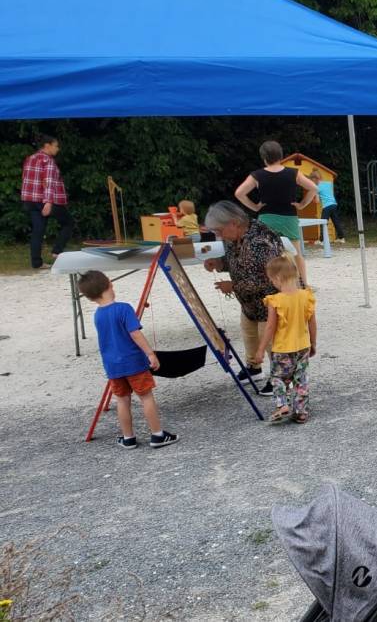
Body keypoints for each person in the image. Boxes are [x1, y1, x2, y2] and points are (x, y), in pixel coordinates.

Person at [77, 270, 178, 449]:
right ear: (110, 284)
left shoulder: (98, 314)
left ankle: (128, 437)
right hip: (134, 363)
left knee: (122, 400)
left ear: (90, 298)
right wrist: (150, 353)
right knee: (146, 397)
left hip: (113, 366)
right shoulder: (123, 308)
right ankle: (157, 435)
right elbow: (135, 334)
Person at [203, 200, 285, 396]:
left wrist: (233, 286)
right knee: (249, 332)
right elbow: (236, 262)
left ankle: (280, 377)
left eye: (219, 231)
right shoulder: (234, 238)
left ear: (233, 223)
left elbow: (268, 279)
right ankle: (254, 368)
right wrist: (219, 263)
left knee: (272, 340)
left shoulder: (260, 240)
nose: (218, 235)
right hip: (250, 302)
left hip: (271, 300)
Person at [234, 141, 318, 286]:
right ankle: (303, 284)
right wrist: (302, 204)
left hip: (267, 218)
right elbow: (313, 188)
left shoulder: (257, 175)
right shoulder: (293, 173)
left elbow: (239, 193)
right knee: (296, 253)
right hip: (289, 217)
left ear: (264, 158)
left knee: (267, 253)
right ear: (281, 156)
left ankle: (270, 284)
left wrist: (254, 207)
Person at [254, 255, 317, 424]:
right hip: (302, 346)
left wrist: (260, 349)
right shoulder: (306, 296)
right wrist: (313, 343)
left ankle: (282, 405)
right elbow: (312, 322)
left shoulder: (275, 301)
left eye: (271, 279)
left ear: (277, 278)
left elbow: (270, 327)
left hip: (283, 349)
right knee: (301, 378)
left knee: (278, 378)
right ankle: (301, 411)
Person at [20, 134, 73, 270]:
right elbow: (48, 183)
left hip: (30, 200)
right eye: (56, 146)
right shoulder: (47, 161)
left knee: (38, 230)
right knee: (68, 223)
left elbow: (26, 180)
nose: (58, 149)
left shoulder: (30, 158)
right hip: (45, 200)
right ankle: (57, 251)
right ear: (47, 145)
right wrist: (48, 202)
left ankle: (37, 263)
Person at [312, 170, 345, 244]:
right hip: (333, 204)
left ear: (315, 179)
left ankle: (321, 240)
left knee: (323, 223)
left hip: (326, 206)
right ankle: (341, 238)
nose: (313, 182)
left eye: (313, 180)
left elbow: (317, 201)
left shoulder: (317, 188)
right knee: (336, 221)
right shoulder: (328, 183)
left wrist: (313, 199)